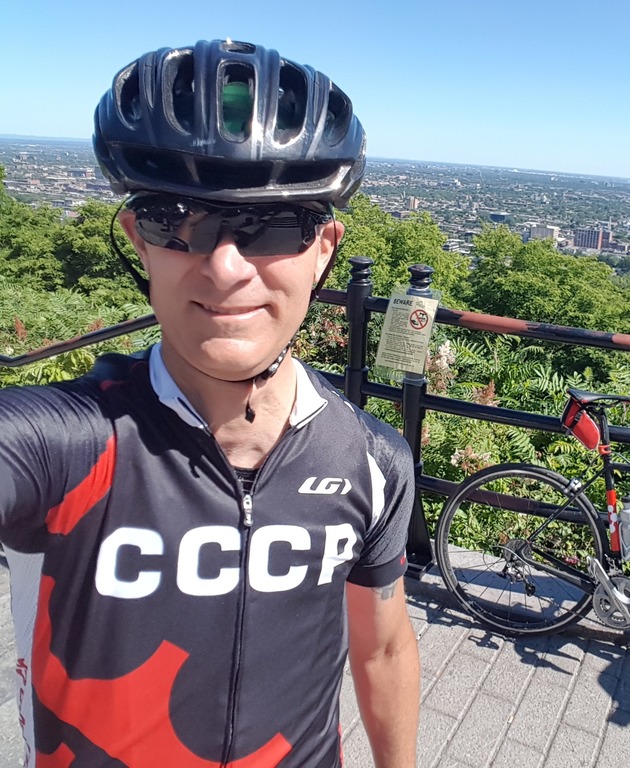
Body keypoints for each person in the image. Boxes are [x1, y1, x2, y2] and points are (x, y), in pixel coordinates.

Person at [0, 39, 419, 768]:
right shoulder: (60, 446)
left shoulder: (371, 462)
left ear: (324, 248)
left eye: (273, 225)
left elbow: (383, 650)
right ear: (138, 240)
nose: (225, 267)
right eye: (175, 220)